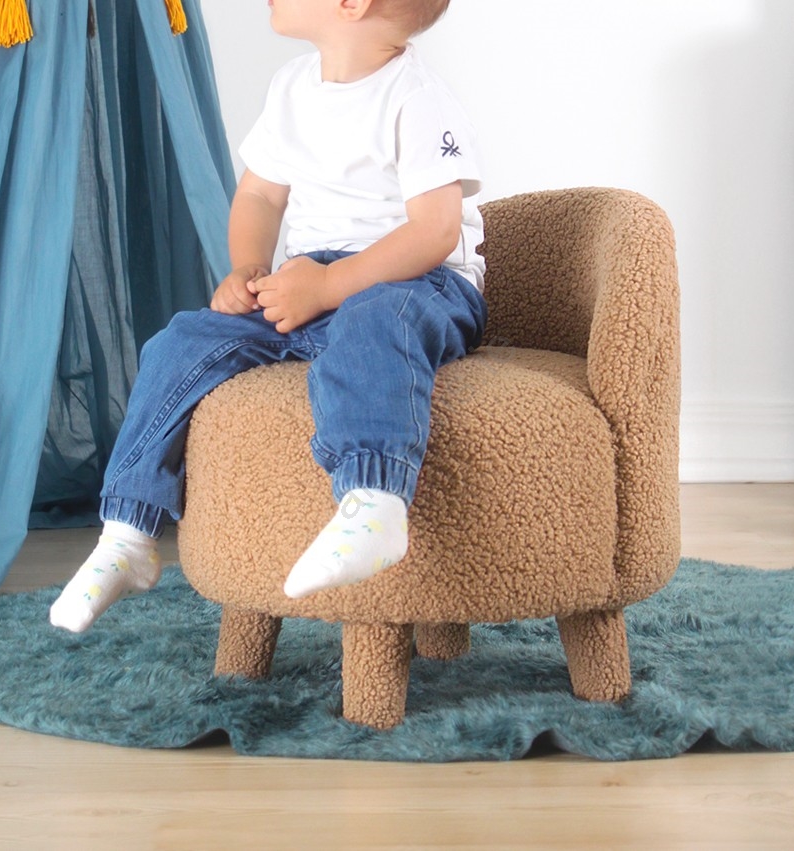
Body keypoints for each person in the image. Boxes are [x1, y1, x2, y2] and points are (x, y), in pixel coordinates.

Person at [49, 0, 486, 633]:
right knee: (183, 340)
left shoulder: (416, 99)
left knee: (372, 320)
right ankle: (127, 532)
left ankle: (374, 500)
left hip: (417, 281)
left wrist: (331, 284)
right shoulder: (292, 88)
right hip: (309, 281)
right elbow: (258, 193)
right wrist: (250, 269)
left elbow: (435, 231)